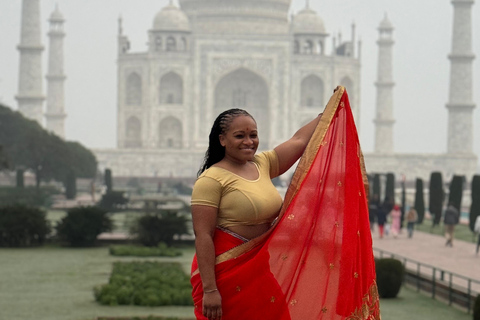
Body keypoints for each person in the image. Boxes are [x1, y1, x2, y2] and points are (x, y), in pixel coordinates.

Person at [190, 87, 380, 320]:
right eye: (240, 136)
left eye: (253, 135)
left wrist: (329, 112)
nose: (249, 142)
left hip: (258, 267)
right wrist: (210, 289)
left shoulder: (262, 164)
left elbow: (299, 140)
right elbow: (203, 235)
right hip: (225, 271)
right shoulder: (211, 179)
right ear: (222, 140)